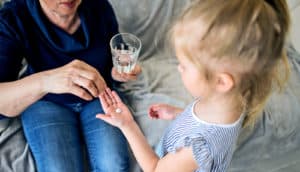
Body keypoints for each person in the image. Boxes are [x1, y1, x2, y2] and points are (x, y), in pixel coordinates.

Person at [96, 0, 291, 171]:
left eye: (185, 66)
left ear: (221, 82)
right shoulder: (232, 99)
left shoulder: (199, 147)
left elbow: (155, 168)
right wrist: (178, 114)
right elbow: (203, 121)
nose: (179, 68)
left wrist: (127, 124)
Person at [0, 0, 141, 171]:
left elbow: (111, 61)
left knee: (114, 165)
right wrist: (47, 81)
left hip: (98, 95)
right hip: (45, 102)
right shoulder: (14, 16)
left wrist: (117, 73)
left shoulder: (100, 7)